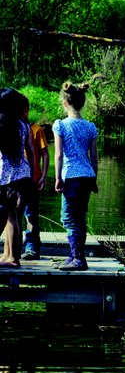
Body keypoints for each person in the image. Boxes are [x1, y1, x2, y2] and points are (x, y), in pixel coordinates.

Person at [52, 81, 98, 271]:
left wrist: (57, 178)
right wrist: (94, 178)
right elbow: (94, 156)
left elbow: (59, 155)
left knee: (69, 217)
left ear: (65, 103)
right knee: (80, 217)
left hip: (71, 176)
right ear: (82, 103)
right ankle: (76, 257)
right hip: (87, 176)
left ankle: (77, 258)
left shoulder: (60, 125)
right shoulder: (90, 127)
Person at [0, 88, 35, 267]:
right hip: (22, 177)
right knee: (12, 216)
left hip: (6, 178)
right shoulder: (23, 126)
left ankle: (13, 258)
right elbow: (30, 150)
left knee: (11, 217)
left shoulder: (1, 125)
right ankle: (7, 255)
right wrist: (33, 174)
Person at [19, 95, 49, 260]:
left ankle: (31, 247)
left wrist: (43, 176)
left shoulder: (36, 130)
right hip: (16, 181)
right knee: (15, 215)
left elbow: (45, 154)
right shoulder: (11, 129)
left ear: (26, 111)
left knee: (30, 214)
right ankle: (16, 248)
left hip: (32, 181)